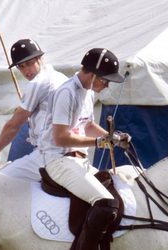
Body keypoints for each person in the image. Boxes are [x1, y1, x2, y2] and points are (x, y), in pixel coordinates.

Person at [38, 48, 131, 249]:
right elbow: (61, 137)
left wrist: (111, 138)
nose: (106, 85)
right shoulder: (66, 92)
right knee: (106, 203)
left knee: (116, 193)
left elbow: (87, 126)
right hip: (59, 160)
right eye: (105, 80)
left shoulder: (88, 93)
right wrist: (98, 143)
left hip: (79, 161)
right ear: (94, 74)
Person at [0, 38, 68, 181]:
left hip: (47, 155)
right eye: (21, 67)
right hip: (70, 151)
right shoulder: (62, 77)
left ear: (39, 59)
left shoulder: (37, 83)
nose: (26, 71)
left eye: (29, 64)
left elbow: (13, 126)